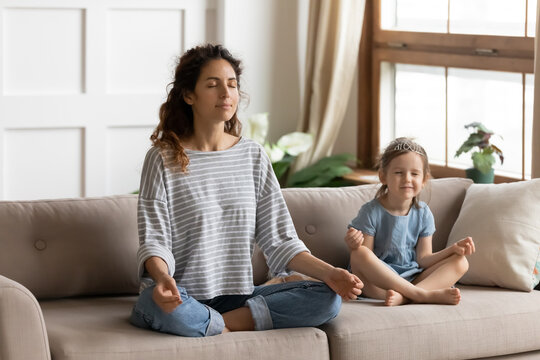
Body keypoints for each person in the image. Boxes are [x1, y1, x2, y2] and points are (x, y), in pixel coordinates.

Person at [129, 43, 363, 337]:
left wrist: (330, 273)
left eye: (232, 85)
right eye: (213, 85)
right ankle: (232, 321)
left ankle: (214, 324)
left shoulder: (252, 155)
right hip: (180, 296)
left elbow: (280, 240)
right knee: (154, 304)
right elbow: (155, 239)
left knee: (326, 300)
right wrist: (162, 279)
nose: (226, 94)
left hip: (238, 296)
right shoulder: (163, 158)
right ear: (189, 95)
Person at [345, 137, 475, 306]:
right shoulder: (370, 212)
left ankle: (407, 297)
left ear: (424, 180)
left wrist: (453, 249)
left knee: (461, 261)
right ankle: (421, 295)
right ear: (383, 176)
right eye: (399, 173)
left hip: (412, 278)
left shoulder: (423, 213)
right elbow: (366, 257)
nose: (407, 179)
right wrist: (354, 244)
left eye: (414, 174)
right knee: (360, 253)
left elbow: (424, 259)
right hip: (379, 286)